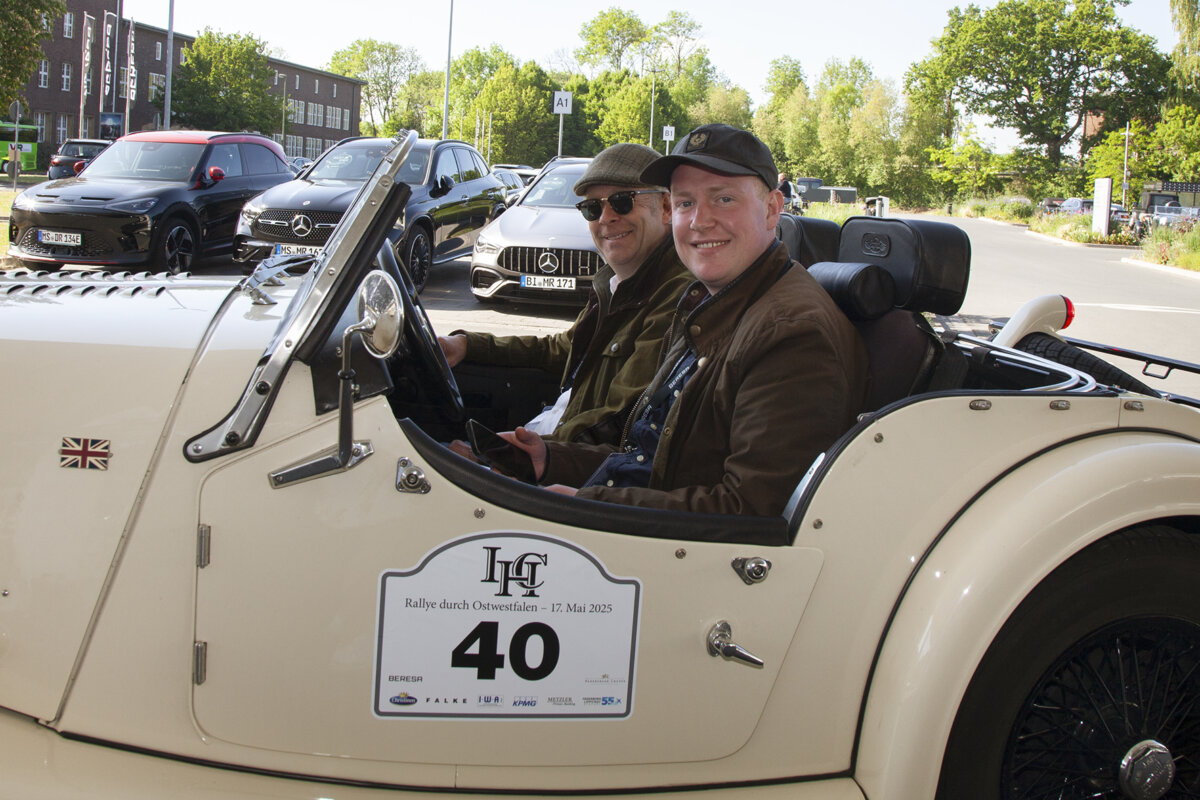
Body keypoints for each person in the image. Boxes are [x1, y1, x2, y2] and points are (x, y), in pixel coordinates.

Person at [502, 124, 869, 518]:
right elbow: (653, 458)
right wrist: (551, 459)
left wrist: (587, 505)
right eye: (685, 203)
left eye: (724, 199)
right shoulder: (711, 301)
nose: (699, 221)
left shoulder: (791, 336)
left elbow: (750, 513)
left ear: (772, 209)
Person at [439, 143, 692, 445]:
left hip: (565, 458)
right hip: (552, 434)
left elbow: (618, 417)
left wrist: (515, 457)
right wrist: (468, 345)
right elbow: (563, 349)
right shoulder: (614, 283)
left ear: (666, 207)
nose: (605, 217)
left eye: (622, 202)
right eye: (592, 207)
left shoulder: (677, 297)